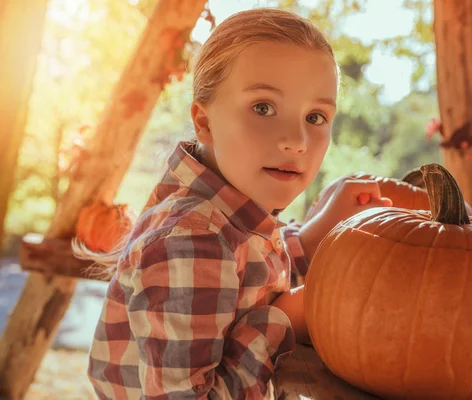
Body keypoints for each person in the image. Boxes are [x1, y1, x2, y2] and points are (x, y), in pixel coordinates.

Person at [78, 8, 391, 399]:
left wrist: (314, 236)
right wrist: (290, 318)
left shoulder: (222, 221)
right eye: (263, 107)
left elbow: (247, 273)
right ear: (204, 121)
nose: (296, 140)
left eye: (315, 116)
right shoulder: (191, 240)